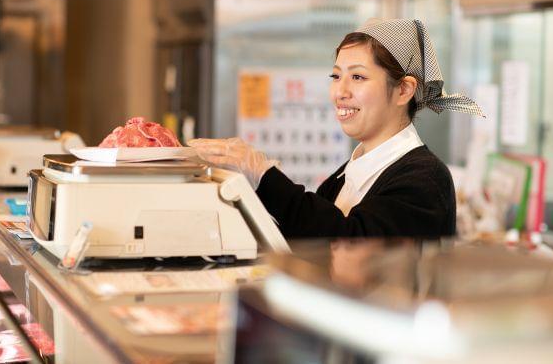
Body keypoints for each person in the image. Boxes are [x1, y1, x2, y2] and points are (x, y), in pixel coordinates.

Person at [189, 18, 484, 238]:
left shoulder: (424, 179)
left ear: (404, 90)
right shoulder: (347, 173)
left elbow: (347, 243)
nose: (339, 92)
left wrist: (264, 175)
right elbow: (309, 234)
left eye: (357, 78)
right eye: (336, 76)